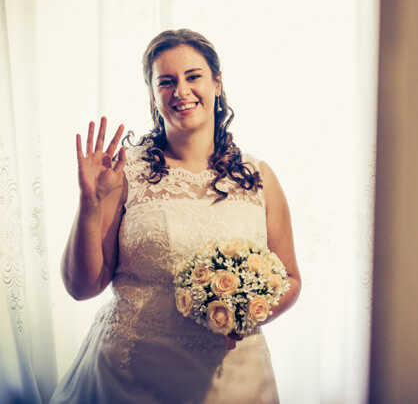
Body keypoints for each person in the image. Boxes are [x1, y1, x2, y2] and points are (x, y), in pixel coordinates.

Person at [51, 29, 301, 403]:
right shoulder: (124, 173)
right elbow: (82, 287)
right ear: (153, 94)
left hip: (234, 378)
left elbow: (291, 279)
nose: (181, 91)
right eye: (166, 81)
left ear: (217, 83)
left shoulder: (258, 177)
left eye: (193, 76)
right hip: (130, 376)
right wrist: (89, 202)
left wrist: (247, 310)